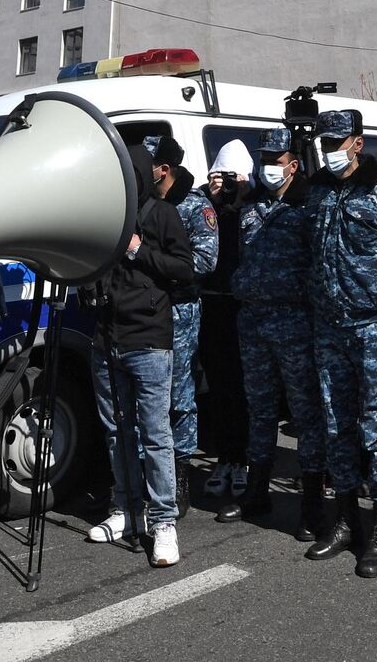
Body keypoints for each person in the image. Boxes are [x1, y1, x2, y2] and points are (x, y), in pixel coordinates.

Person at [304, 108, 377, 578]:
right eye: (323, 142)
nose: (328, 150)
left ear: (357, 142)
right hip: (329, 326)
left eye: (337, 142)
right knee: (336, 425)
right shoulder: (317, 192)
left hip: (372, 326)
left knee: (375, 427)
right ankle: (346, 519)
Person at [86, 143, 194, 568]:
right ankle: (126, 510)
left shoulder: (163, 213)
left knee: (155, 434)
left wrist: (137, 250)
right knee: (116, 431)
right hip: (106, 339)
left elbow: (186, 268)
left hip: (148, 340)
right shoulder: (105, 216)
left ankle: (163, 521)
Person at [217, 128, 325, 537]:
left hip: (294, 320)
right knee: (259, 408)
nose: (266, 168)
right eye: (262, 160)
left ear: (293, 165)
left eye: (274, 161)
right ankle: (257, 491)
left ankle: (312, 504)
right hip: (254, 319)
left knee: (304, 412)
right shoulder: (251, 205)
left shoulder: (307, 205)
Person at [143, 135, 219, 517]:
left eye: (150, 164)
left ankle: (182, 476)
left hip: (179, 310)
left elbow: (205, 261)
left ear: (165, 168)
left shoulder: (195, 206)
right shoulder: (143, 203)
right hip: (143, 310)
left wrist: (150, 262)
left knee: (179, 394)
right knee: (145, 394)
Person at [198, 140, 253, 502]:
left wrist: (239, 199)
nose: (229, 183)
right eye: (223, 177)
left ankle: (244, 460)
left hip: (245, 308)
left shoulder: (255, 207)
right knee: (217, 389)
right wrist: (213, 199)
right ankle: (223, 458)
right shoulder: (205, 205)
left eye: (235, 177)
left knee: (245, 390)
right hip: (212, 306)